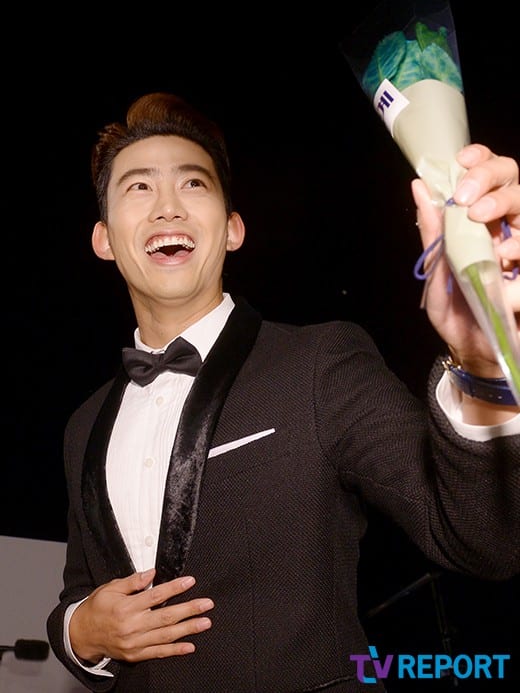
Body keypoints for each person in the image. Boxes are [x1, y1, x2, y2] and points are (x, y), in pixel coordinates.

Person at [47, 91, 520, 693]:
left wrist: (483, 365)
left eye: (193, 184)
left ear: (233, 229)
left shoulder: (320, 363)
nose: (167, 206)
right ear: (104, 239)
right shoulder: (83, 425)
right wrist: (80, 633)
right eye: (139, 187)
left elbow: (484, 539)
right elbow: (78, 595)